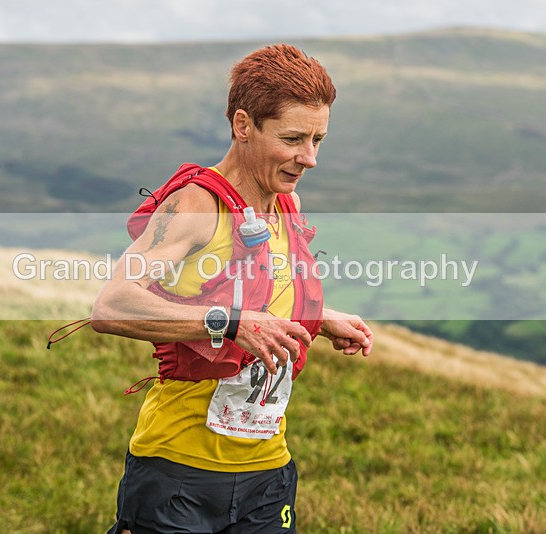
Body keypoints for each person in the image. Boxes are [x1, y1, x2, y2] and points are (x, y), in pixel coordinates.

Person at [91, 43, 373, 534]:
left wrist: (322, 319)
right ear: (243, 125)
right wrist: (231, 324)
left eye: (318, 140)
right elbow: (111, 305)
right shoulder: (197, 205)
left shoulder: (284, 204)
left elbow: (254, 291)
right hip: (178, 471)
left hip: (268, 471)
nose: (309, 158)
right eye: (293, 139)